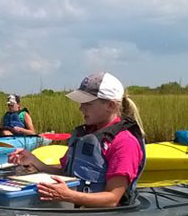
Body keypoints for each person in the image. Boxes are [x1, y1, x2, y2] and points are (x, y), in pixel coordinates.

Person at [8, 72, 145, 208]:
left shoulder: (124, 142)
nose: (81, 108)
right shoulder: (84, 135)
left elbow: (112, 199)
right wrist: (33, 160)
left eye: (87, 103)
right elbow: (65, 174)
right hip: (76, 208)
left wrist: (68, 196)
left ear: (110, 105)